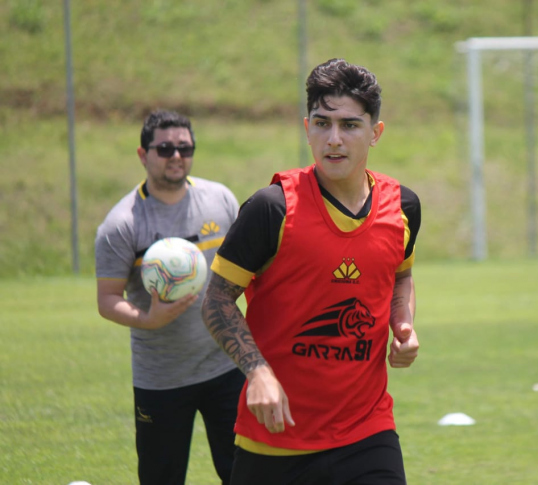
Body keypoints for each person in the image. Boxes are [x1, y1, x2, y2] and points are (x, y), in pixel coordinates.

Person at [201, 58, 422, 485]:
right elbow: (216, 298)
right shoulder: (271, 208)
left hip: (367, 432)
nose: (334, 139)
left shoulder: (403, 208)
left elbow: (400, 276)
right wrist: (258, 372)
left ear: (375, 133)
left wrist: (404, 324)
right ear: (307, 128)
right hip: (276, 439)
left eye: (350, 126)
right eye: (322, 123)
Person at [95, 109, 245, 485]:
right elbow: (107, 299)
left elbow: (247, 270)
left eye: (184, 147)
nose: (176, 156)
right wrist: (149, 320)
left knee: (246, 474)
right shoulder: (122, 224)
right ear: (143, 155)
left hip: (226, 366)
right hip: (161, 377)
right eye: (164, 148)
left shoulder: (221, 200)